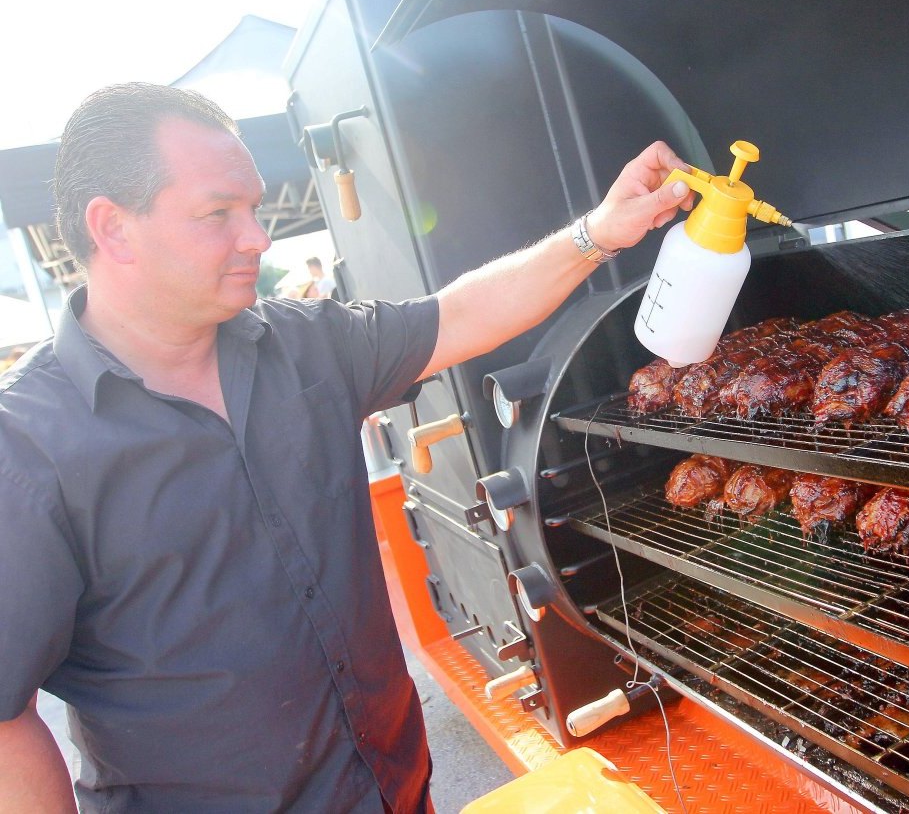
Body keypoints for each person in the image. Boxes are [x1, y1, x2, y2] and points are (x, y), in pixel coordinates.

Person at [0, 83, 693, 813]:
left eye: (255, 207)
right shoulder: (30, 446)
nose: (258, 238)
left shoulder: (301, 344)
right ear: (112, 229)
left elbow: (455, 315)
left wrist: (598, 233)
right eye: (217, 213)